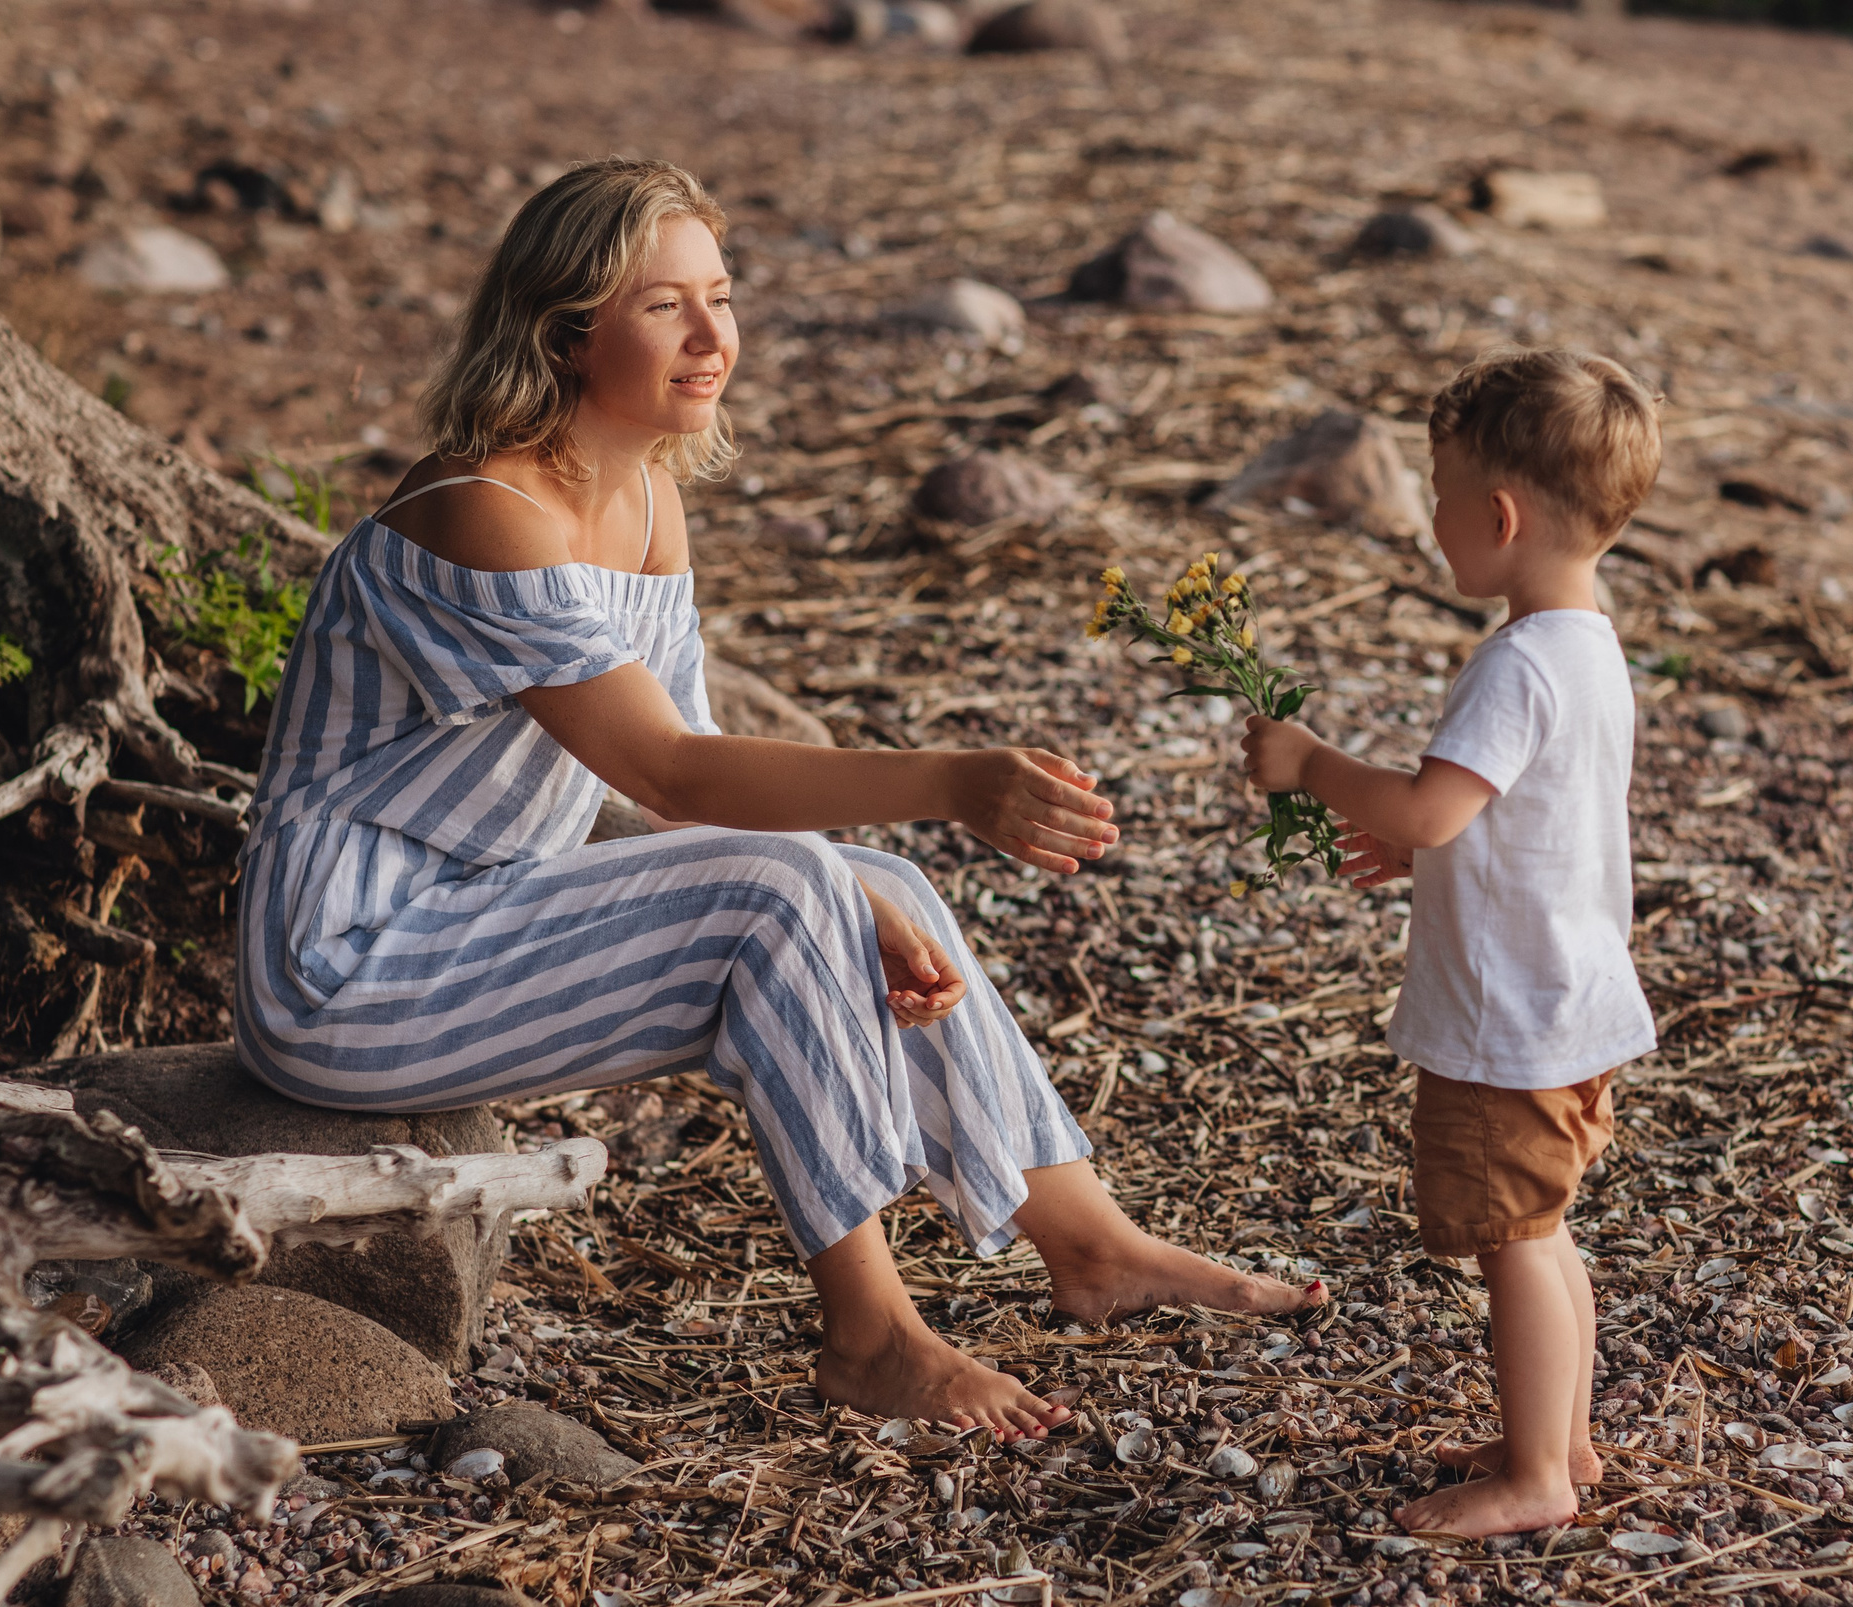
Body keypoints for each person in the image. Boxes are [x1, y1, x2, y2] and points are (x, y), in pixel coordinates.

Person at [235, 157, 1317, 1440]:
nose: (712, 338)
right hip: (348, 965)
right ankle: (872, 1335)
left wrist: (861, 871)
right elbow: (671, 774)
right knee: (790, 881)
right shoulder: (482, 511)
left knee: (876, 887)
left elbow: (682, 776)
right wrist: (946, 781)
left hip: (485, 911)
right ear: (565, 331)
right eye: (664, 308)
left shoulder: (641, 498)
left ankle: (1090, 1243)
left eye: (721, 297)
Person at [1239, 347, 1662, 1535]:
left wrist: (1312, 764)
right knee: (1548, 1228)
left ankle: (1533, 1477)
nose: (1428, 517)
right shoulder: (1591, 647)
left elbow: (1432, 802)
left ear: (1498, 513)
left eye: (1436, 494)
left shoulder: (1513, 663)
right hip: (1571, 1004)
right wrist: (1436, 853)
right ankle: (1562, 1440)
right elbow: (1520, 820)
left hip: (1503, 1024)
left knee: (1512, 1242)